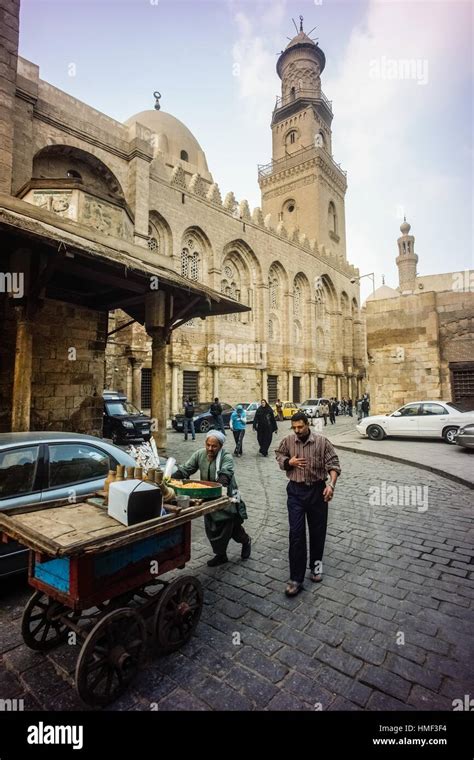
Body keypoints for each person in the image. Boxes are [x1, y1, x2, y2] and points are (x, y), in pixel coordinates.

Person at [275, 411, 341, 596]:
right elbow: (279, 456)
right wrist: (289, 462)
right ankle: (296, 578)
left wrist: (331, 486)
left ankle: (316, 567)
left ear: (308, 424)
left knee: (318, 532)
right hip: (295, 492)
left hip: (317, 491)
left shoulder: (322, 442)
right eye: (294, 427)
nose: (297, 430)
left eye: (300, 427)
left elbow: (334, 464)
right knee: (296, 534)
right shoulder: (288, 441)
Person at [173, 430, 251, 566]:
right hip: (207, 497)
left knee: (231, 527)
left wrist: (219, 486)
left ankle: (246, 541)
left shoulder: (226, 457)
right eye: (208, 445)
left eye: (214, 446)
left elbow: (225, 474)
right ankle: (221, 555)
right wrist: (171, 478)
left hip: (228, 496)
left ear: (220, 446)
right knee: (212, 527)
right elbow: (186, 469)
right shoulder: (199, 454)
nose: (210, 448)